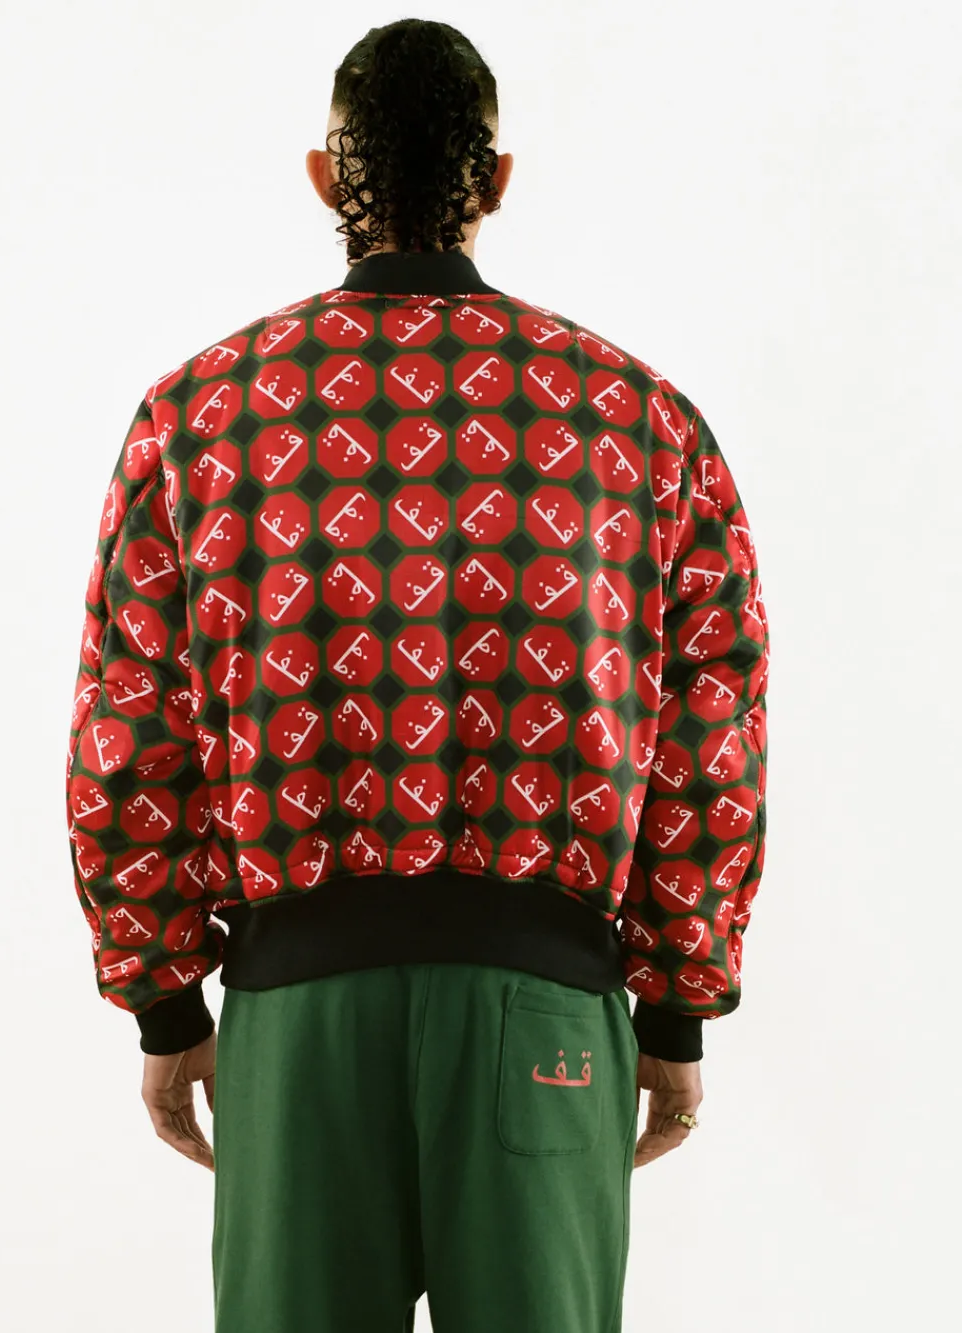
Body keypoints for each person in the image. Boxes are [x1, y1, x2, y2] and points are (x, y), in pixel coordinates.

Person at [64, 17, 770, 1332]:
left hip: (297, 1016)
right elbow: (709, 722)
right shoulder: (636, 417)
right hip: (547, 1008)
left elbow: (130, 725)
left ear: (324, 178)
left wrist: (164, 1001)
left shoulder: (200, 414)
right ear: (494, 179)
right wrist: (677, 1006)